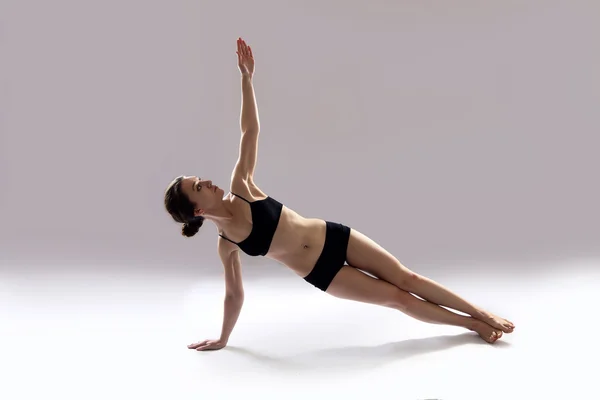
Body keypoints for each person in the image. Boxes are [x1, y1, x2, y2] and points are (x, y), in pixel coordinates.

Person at [164, 37, 515, 352]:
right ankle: (473, 326)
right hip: (323, 272)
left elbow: (250, 131)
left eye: (201, 179)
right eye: (198, 187)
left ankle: (479, 311)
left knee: (408, 279)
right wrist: (224, 338)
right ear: (196, 211)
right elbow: (233, 294)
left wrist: (246, 78)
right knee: (399, 299)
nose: (207, 182)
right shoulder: (227, 244)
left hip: (334, 237)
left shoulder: (241, 187)